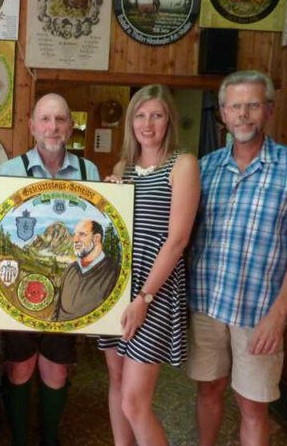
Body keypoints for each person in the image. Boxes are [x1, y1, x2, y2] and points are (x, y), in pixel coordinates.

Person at [188, 70, 287, 446]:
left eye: (252, 105)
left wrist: (279, 315)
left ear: (268, 110)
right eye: (235, 107)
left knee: (252, 406)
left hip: (260, 312)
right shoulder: (205, 169)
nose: (243, 115)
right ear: (222, 113)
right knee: (208, 391)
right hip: (207, 304)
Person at [0, 93, 100, 446]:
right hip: (18, 290)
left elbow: (101, 230)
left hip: (70, 294)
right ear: (32, 126)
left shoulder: (90, 172)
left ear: (71, 126)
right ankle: (22, 438)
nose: (52, 127)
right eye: (45, 120)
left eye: (59, 120)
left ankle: (50, 438)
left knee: (55, 372)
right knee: (19, 368)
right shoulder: (9, 171)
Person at [98, 84, 200, 446]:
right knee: (116, 382)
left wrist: (144, 297)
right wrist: (108, 193)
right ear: (130, 122)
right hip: (117, 285)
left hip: (152, 291)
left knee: (135, 400)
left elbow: (177, 241)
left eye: (156, 114)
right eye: (140, 115)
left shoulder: (183, 164)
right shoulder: (122, 168)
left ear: (169, 118)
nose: (147, 123)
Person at [54, 219, 120, 321]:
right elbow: (57, 310)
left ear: (97, 238)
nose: (75, 240)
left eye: (82, 234)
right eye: (75, 234)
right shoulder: (70, 269)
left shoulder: (115, 273)